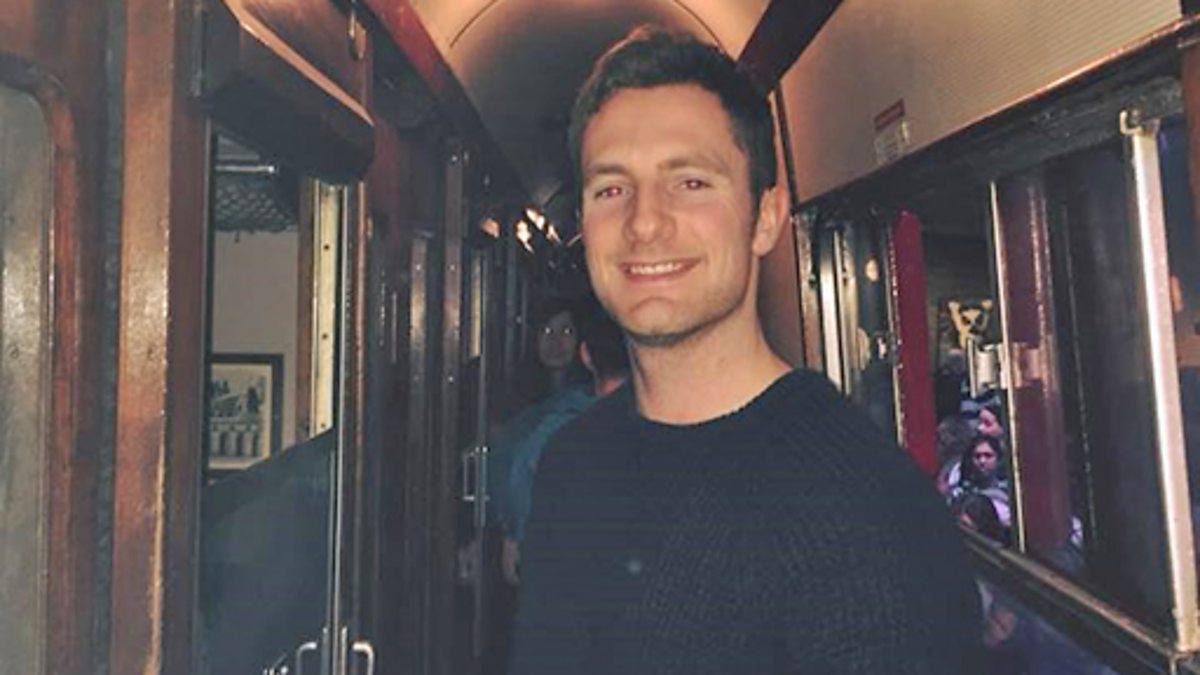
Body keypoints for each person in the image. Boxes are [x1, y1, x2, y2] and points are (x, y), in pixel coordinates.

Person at [510, 26, 980, 673]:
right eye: (611, 188)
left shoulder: (867, 514)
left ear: (765, 218)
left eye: (690, 182)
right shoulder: (572, 465)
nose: (644, 222)